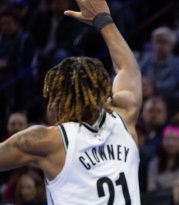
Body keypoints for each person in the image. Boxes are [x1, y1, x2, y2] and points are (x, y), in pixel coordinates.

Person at [0, 0, 143, 204]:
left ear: (57, 102)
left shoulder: (46, 141)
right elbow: (129, 70)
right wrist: (104, 20)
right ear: (103, 90)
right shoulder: (124, 117)